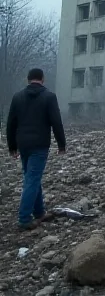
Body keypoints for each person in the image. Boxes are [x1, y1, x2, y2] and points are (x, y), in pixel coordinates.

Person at [5, 68, 66, 230]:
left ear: (28, 79)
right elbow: (56, 122)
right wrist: (61, 144)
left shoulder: (17, 97)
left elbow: (11, 123)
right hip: (39, 145)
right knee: (32, 179)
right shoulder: (49, 97)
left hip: (23, 144)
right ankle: (24, 218)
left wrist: (12, 146)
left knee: (32, 176)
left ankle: (39, 212)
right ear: (43, 79)